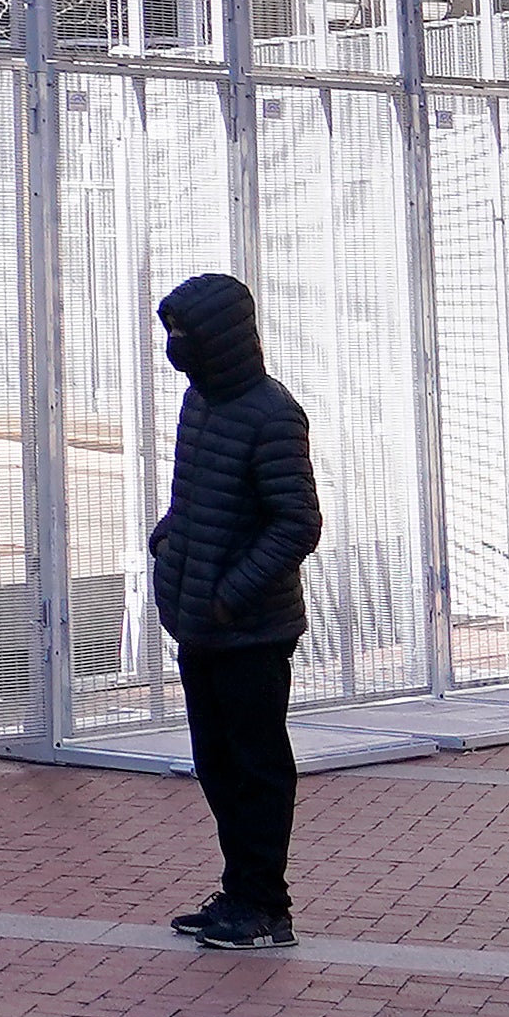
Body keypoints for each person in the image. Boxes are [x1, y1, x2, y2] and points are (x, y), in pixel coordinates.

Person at [146, 268, 324, 949]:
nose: (177, 348)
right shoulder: (203, 402)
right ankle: (239, 891)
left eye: (187, 336)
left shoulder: (271, 412)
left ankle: (265, 906)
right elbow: (196, 494)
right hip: (201, 623)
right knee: (216, 764)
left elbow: (297, 523)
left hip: (250, 630)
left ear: (222, 339)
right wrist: (169, 541)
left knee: (255, 768)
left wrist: (228, 595)